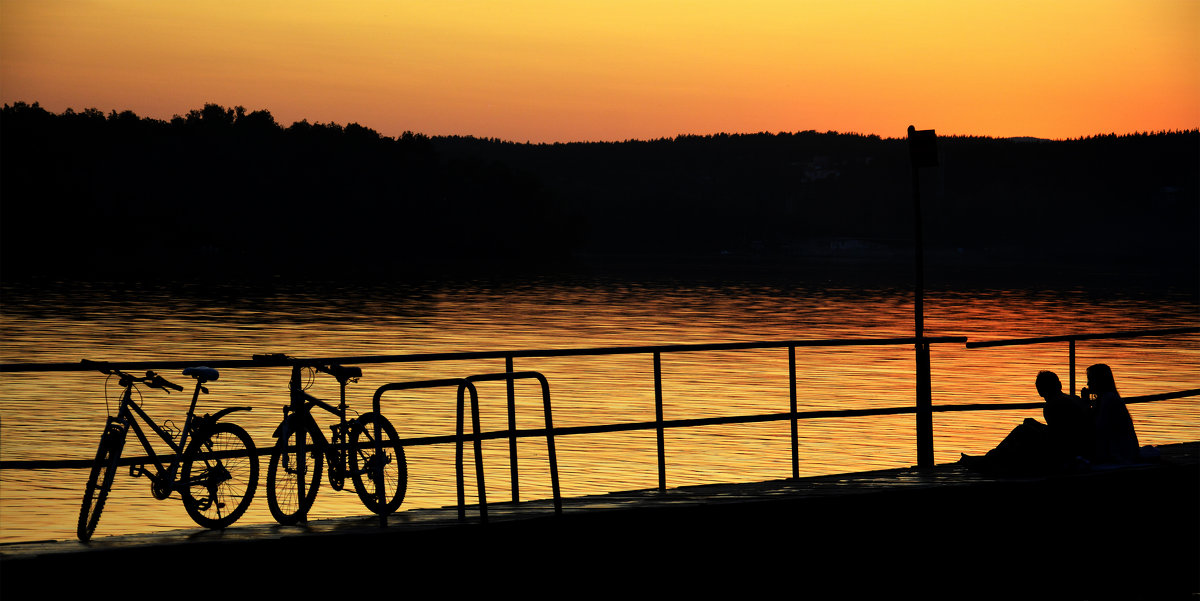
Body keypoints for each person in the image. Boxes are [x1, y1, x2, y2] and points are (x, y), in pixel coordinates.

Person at [1082, 363, 1140, 464]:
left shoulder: (1109, 399)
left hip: (1120, 453)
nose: (1087, 383)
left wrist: (1086, 405)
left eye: (1090, 379)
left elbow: (1097, 428)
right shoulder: (1103, 399)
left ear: (1099, 381)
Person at [1035, 370, 1092, 462]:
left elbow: (1057, 436)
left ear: (1040, 391)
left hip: (1071, 450)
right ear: (1059, 384)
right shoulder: (1075, 399)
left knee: (1022, 431)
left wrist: (1038, 427)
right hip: (1085, 445)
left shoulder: (1052, 406)